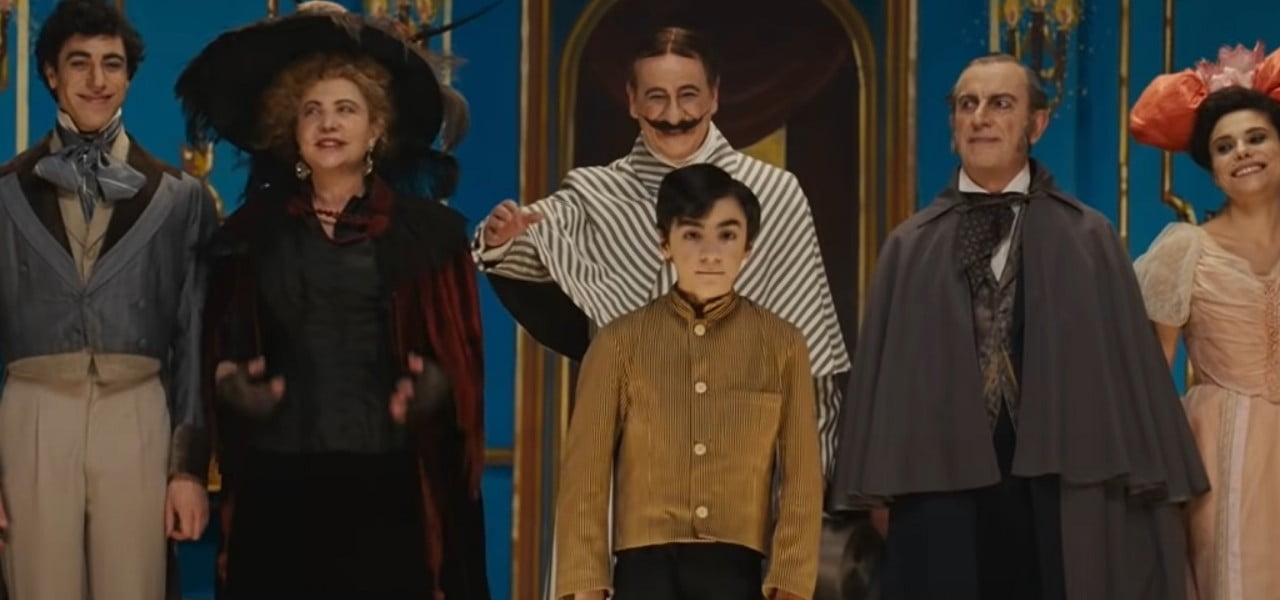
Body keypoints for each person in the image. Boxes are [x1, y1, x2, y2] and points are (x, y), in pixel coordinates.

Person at [830, 53, 1209, 599]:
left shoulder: (1089, 239)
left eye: (1000, 103)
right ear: (953, 123)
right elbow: (885, 390)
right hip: (939, 488)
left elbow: (1129, 381)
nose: (980, 117)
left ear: (1037, 123)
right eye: (967, 104)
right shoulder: (909, 247)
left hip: (1059, 486)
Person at [174, 3, 489, 598]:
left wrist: (433, 388)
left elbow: (461, 362)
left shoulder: (429, 238)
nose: (328, 123)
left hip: (390, 495)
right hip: (279, 497)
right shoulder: (247, 238)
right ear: (290, 129)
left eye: (346, 109)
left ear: (376, 129)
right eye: (311, 110)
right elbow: (215, 349)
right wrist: (231, 384)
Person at [474, 26, 849, 473]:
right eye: (656, 97)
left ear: (714, 96)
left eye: (688, 95)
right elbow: (531, 249)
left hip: (749, 456)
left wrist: (810, 473)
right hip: (637, 454)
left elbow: (810, 352)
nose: (674, 114)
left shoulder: (774, 193)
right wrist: (503, 239)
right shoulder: (596, 195)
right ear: (632, 100)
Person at [0, 0, 214, 598]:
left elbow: (194, 340)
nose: (97, 80)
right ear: (51, 74)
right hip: (32, 413)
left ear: (128, 76)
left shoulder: (181, 199)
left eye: (112, 64)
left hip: (137, 410)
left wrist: (187, 468)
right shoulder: (4, 193)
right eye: (80, 63)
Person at [553, 163, 821, 600]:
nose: (710, 253)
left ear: (748, 247)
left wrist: (791, 582)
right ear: (665, 243)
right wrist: (585, 584)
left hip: (738, 573)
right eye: (693, 235)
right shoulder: (619, 342)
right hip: (643, 573)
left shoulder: (783, 345)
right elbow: (585, 474)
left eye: (727, 235)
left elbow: (802, 478)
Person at [1131, 42, 1280, 599]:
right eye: (1224, 146)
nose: (1242, 152)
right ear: (1214, 172)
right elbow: (1150, 375)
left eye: (1256, 137)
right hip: (1223, 452)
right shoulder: (1185, 249)